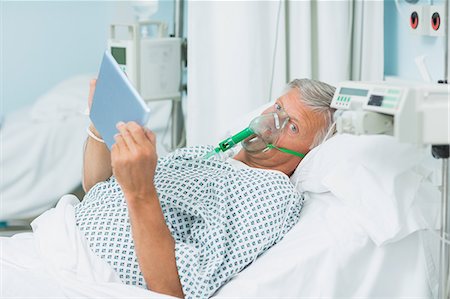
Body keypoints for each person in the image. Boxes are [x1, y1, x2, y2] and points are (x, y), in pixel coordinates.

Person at [77, 78, 336, 298]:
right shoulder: (209, 155)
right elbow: (96, 190)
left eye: (292, 126)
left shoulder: (270, 192)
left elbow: (174, 289)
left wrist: (141, 192)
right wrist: (99, 124)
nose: (271, 121)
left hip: (92, 276)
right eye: (278, 107)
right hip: (67, 239)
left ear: (309, 154)